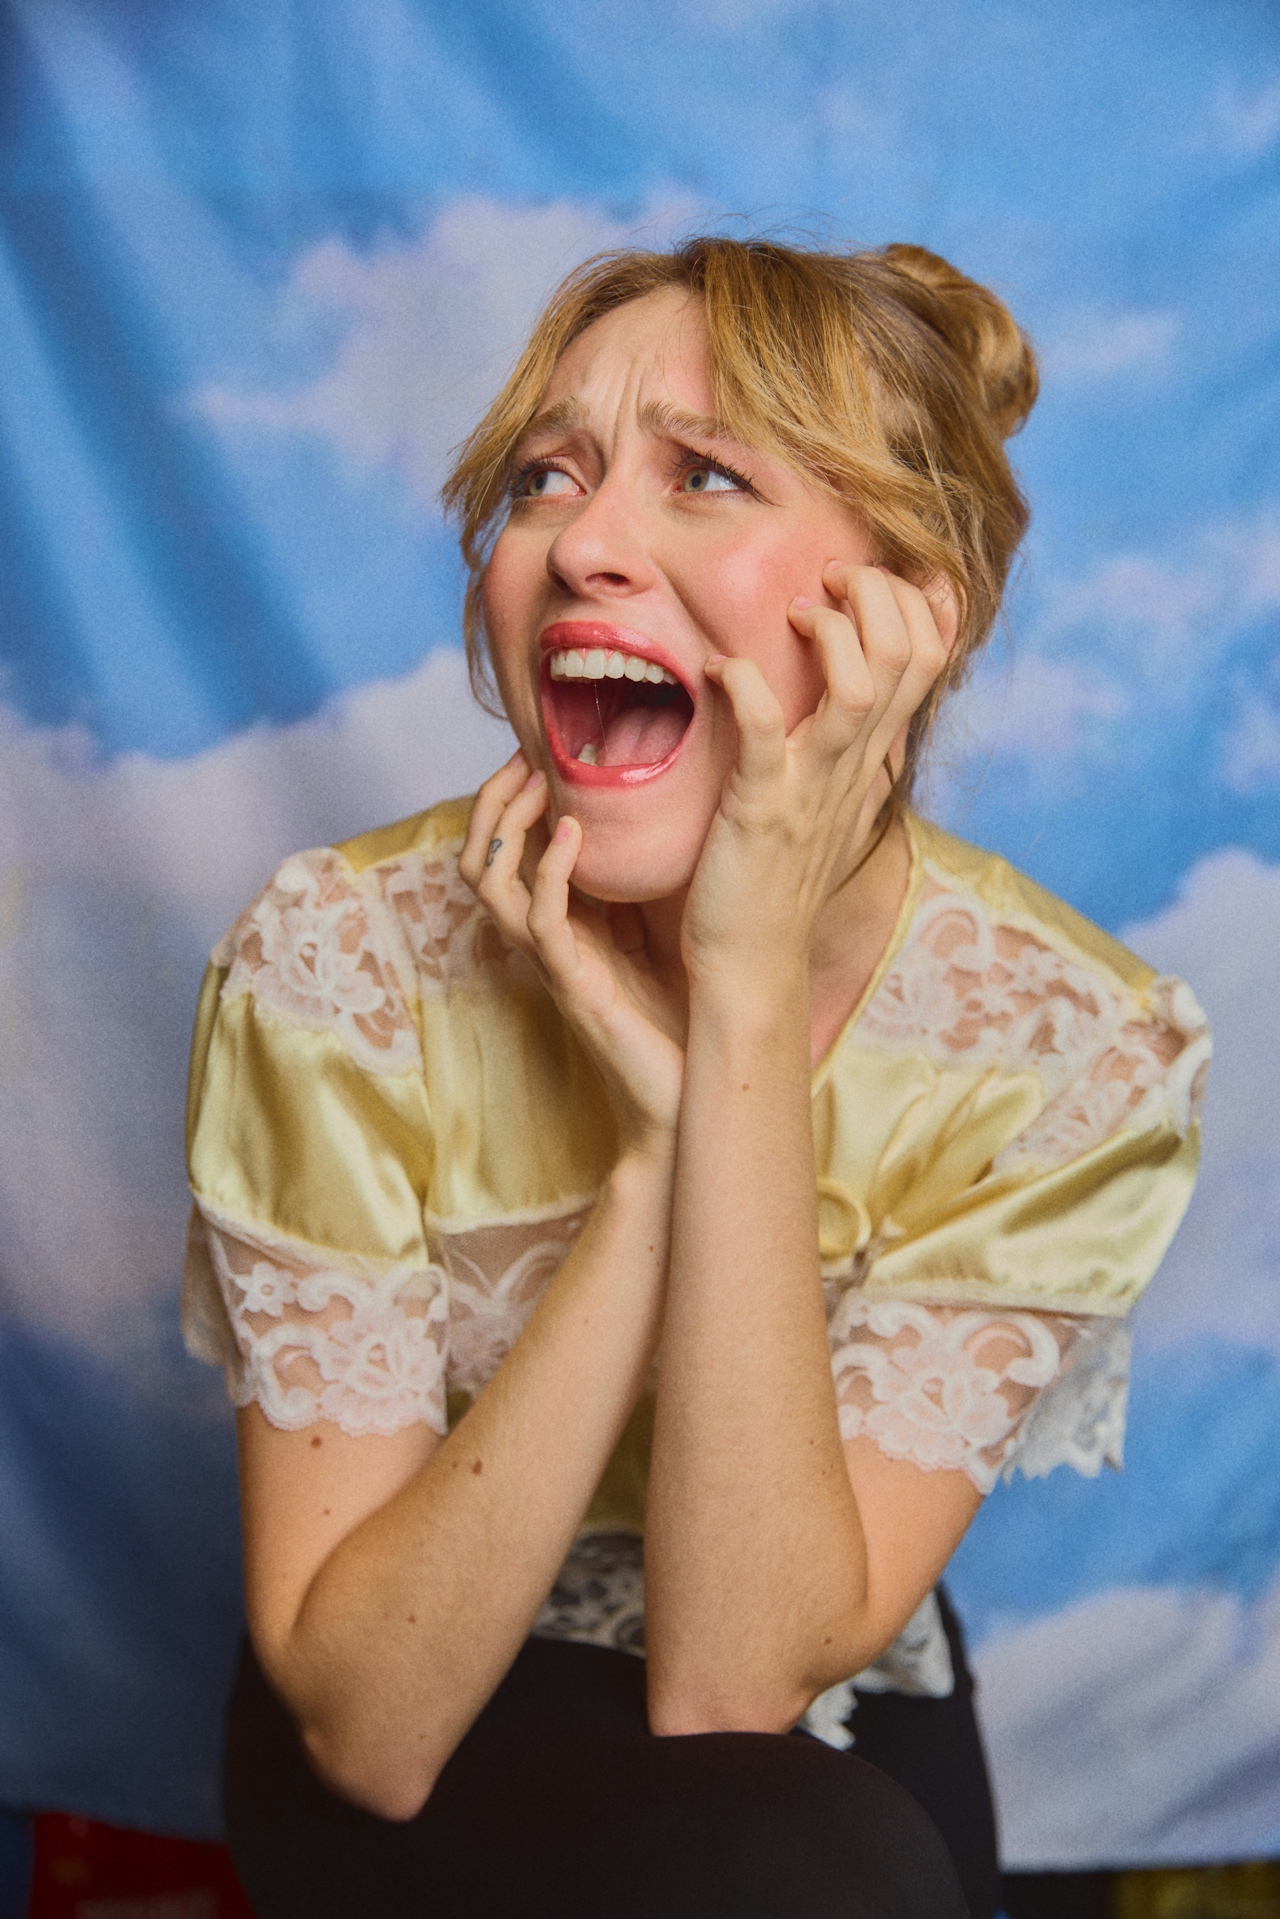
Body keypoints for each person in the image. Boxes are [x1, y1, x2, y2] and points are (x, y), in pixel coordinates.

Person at [182, 237, 1210, 1919]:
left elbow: (736, 1690)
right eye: (546, 478)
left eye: (706, 475)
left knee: (826, 1858)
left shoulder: (1071, 1051)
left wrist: (733, 1002)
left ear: (910, 616)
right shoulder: (343, 964)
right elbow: (370, 1731)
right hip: (419, 1663)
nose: (581, 544)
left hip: (823, 1688)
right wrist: (657, 1171)